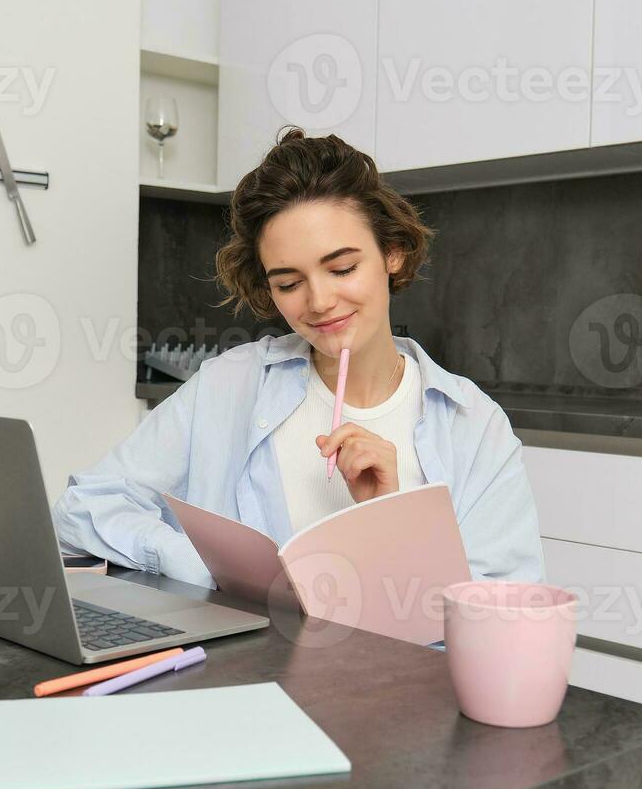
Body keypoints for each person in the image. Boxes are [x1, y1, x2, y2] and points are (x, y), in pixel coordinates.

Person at [53, 127, 542, 588]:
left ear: (392, 254)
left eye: (343, 268)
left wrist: (395, 525)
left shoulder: (473, 426)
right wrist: (195, 561)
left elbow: (503, 609)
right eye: (288, 283)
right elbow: (84, 505)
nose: (319, 302)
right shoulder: (230, 385)